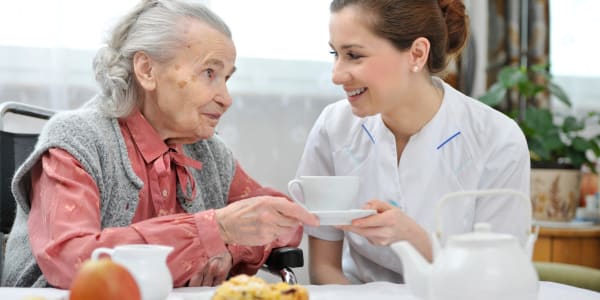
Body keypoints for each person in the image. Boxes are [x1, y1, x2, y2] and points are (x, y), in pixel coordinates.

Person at [2, 0, 318, 288]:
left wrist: (228, 247)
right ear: (147, 70)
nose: (226, 98)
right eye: (209, 72)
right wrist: (213, 231)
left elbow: (282, 220)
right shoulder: (76, 141)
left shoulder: (208, 151)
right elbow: (72, 259)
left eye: (227, 78)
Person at [295, 0, 530, 284]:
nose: (336, 75)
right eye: (335, 53)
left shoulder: (497, 140)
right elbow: (324, 269)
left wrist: (412, 237)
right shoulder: (334, 127)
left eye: (354, 55)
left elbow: (498, 277)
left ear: (417, 53)